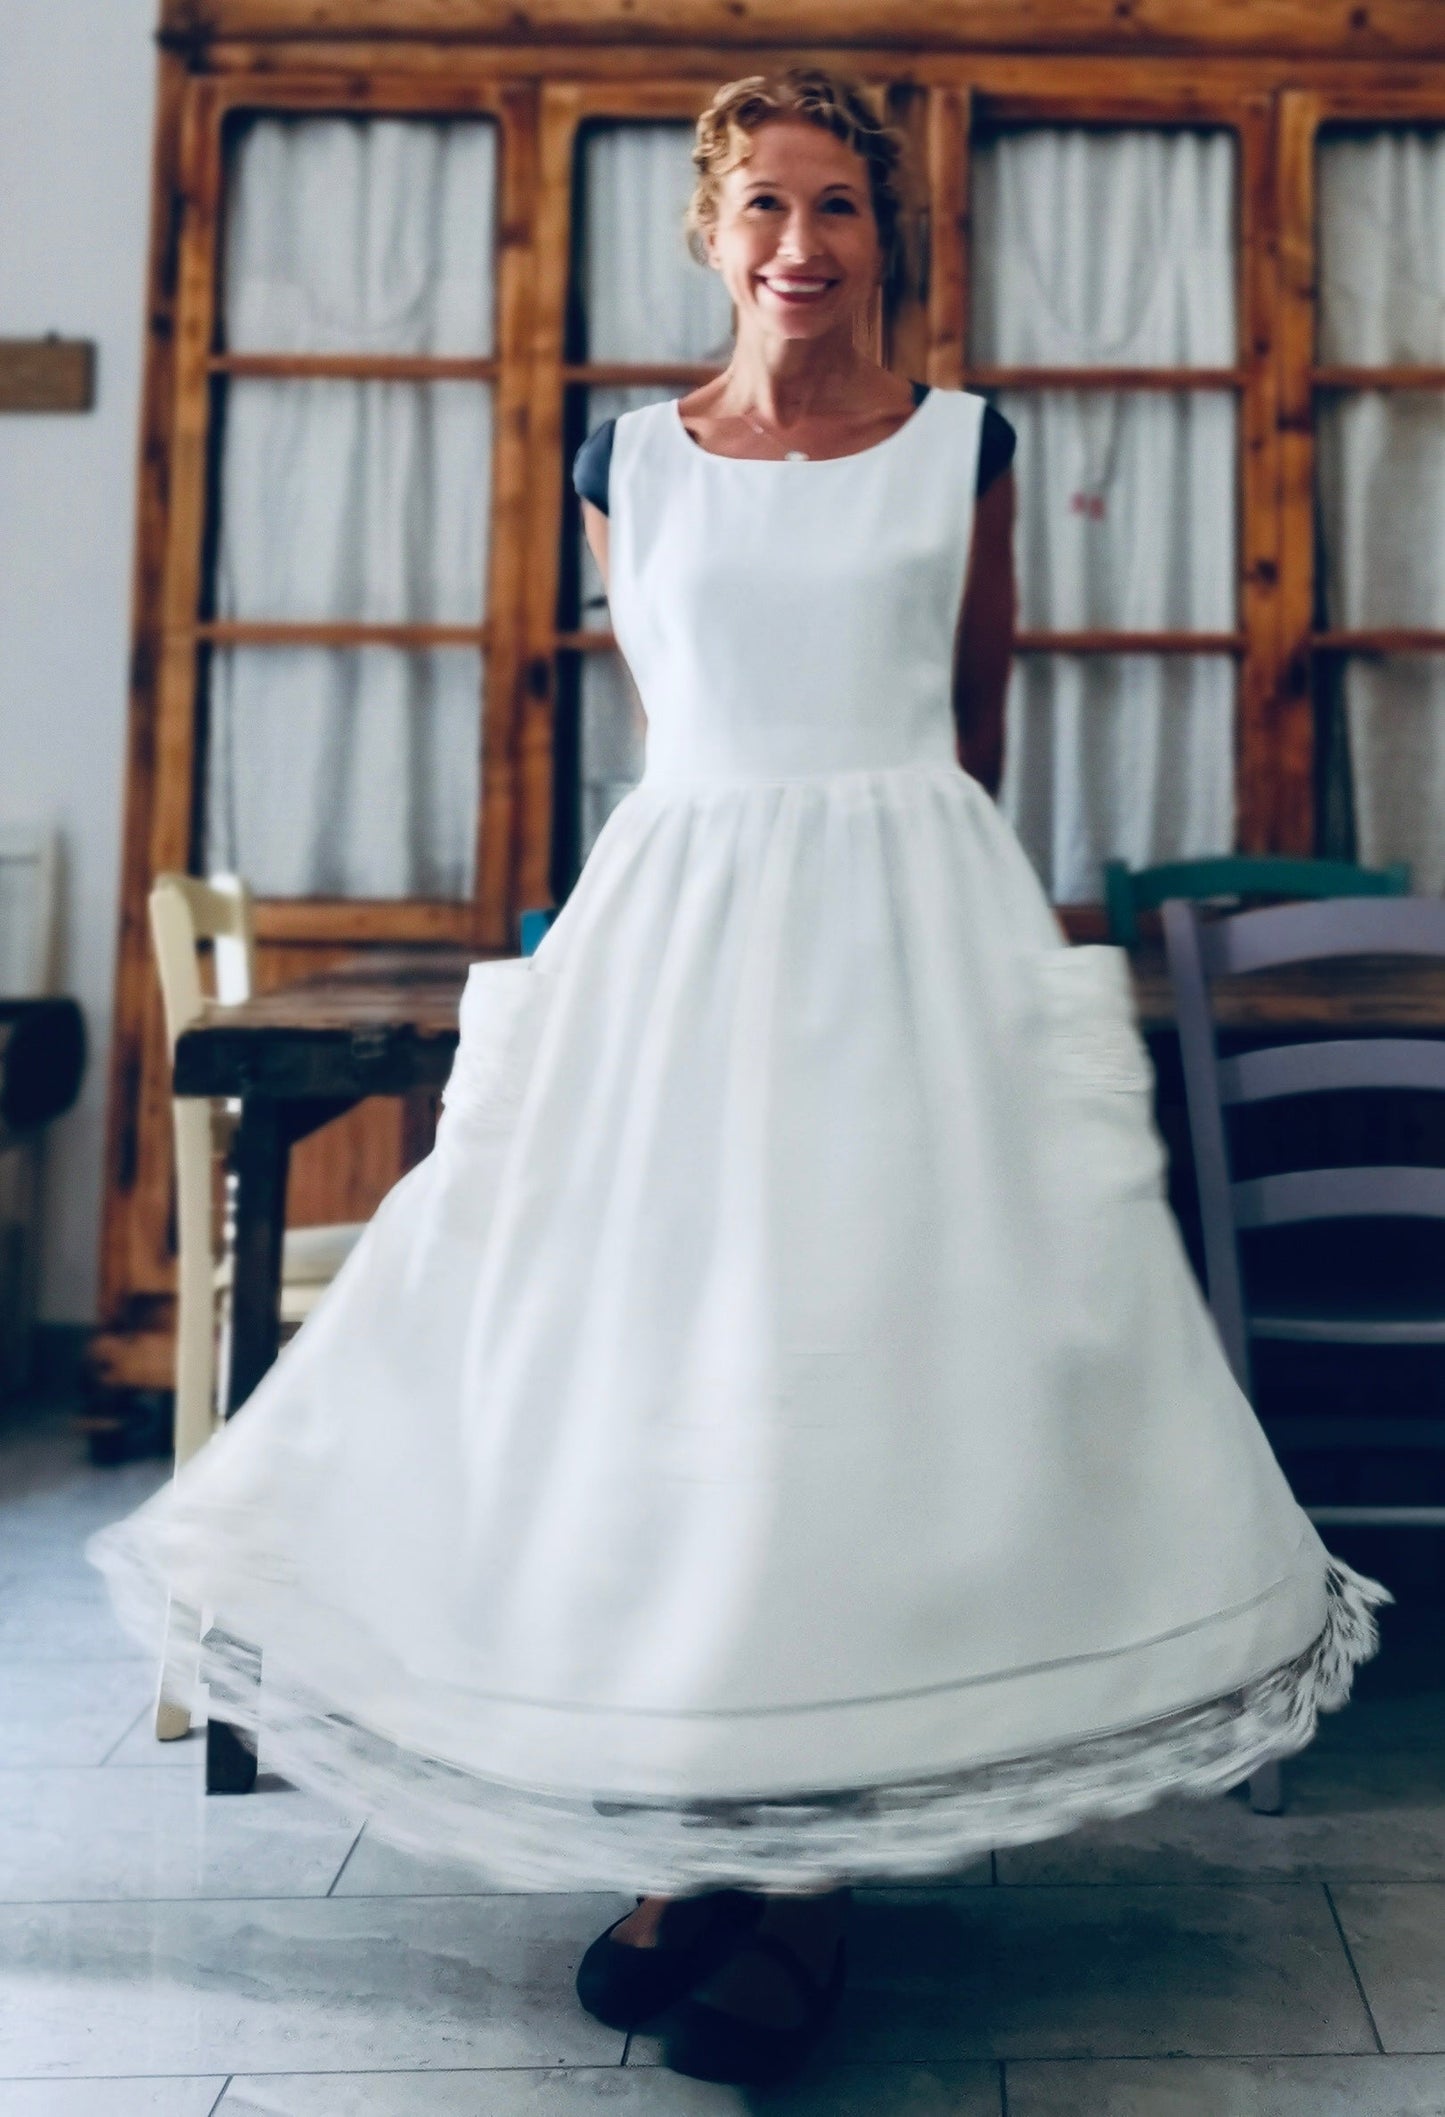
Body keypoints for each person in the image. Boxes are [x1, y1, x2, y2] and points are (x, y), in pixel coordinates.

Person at [92, 65, 1388, 2090]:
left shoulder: (964, 444)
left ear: (888, 239)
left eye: (840, 210)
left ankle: (807, 1883)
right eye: (764, 207)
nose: (802, 244)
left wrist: (928, 958)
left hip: (901, 941)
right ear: (709, 233)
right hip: (678, 941)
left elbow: (968, 735)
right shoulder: (631, 460)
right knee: (662, 1390)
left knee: (849, 1387)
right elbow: (684, 721)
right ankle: (690, 1838)